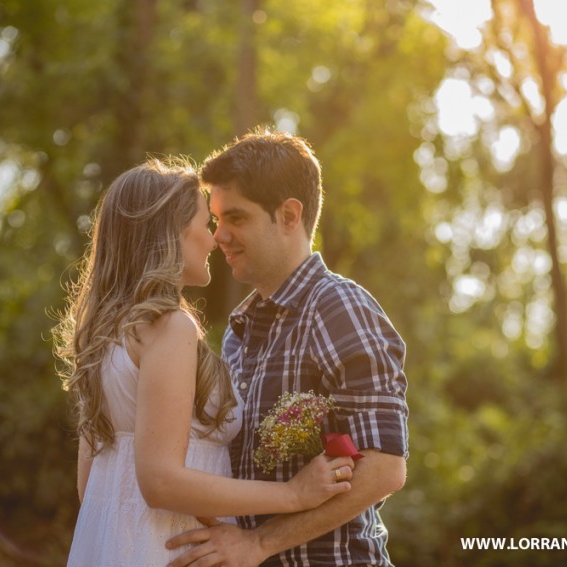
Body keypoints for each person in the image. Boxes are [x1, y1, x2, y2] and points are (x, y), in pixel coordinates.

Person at [54, 158, 356, 566]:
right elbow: (160, 481)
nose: (214, 240)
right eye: (204, 223)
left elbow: (90, 484)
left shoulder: (102, 334)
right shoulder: (170, 326)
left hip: (114, 545)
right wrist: (293, 494)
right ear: (172, 234)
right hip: (174, 550)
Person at [166, 129, 409, 566]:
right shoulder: (239, 331)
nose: (220, 236)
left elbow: (385, 467)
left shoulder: (339, 307)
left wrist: (258, 545)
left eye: (236, 218)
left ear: (289, 215)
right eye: (217, 220)